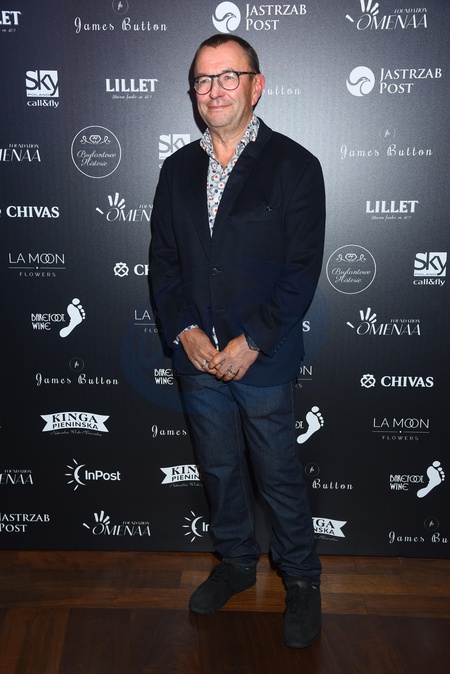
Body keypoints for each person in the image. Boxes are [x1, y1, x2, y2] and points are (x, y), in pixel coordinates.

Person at [149, 34, 325, 649]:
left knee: (277, 472)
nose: (214, 89)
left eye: (229, 76)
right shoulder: (176, 170)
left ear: (257, 85)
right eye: (203, 80)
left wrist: (253, 341)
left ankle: (301, 577)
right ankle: (235, 561)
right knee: (220, 468)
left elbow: (301, 271)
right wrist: (186, 331)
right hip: (197, 357)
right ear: (193, 93)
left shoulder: (296, 166)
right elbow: (164, 264)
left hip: (263, 358)